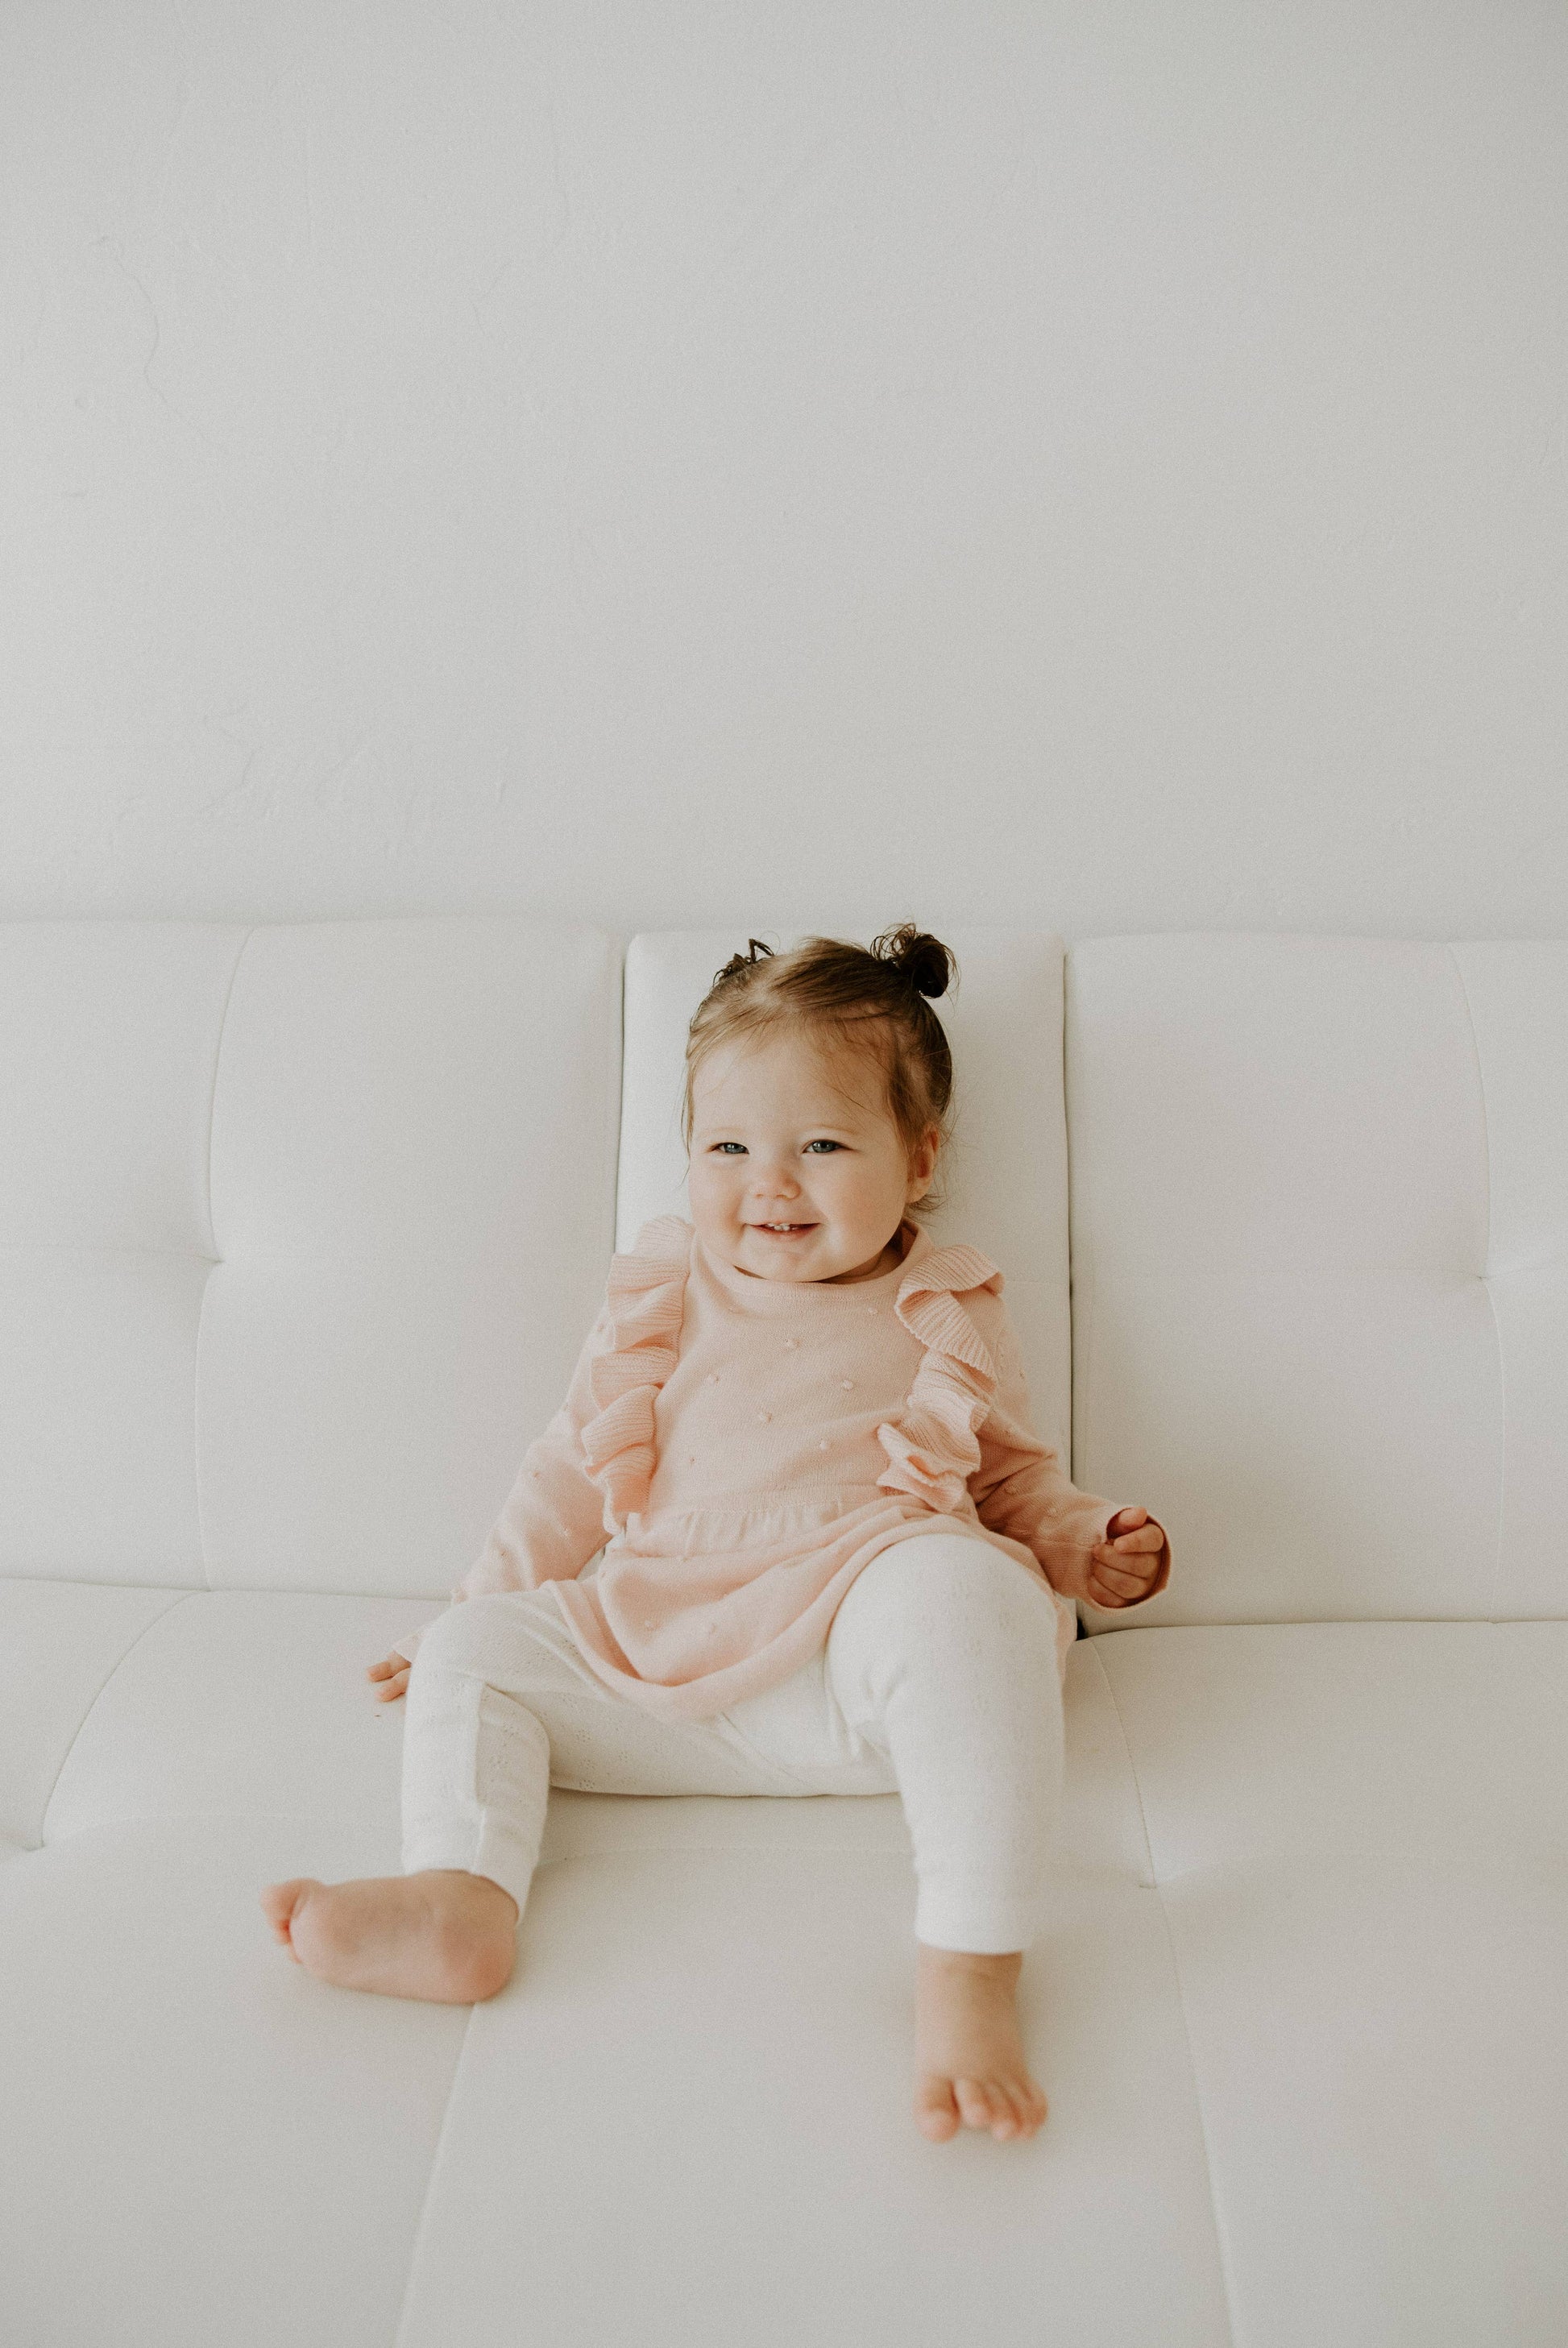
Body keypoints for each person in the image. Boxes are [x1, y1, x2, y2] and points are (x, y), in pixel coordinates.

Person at [261, 925, 1171, 2145]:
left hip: (860, 1665)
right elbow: (566, 1469)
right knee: (480, 1645)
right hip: (652, 1651)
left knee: (972, 1591)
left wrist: (1081, 1539)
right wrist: (463, 1612)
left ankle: (968, 1964)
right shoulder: (657, 1291)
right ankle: (463, 1892)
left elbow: (1008, 1478)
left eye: (823, 1146)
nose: (769, 1183)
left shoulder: (942, 1307)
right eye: (727, 1146)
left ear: (920, 1155)